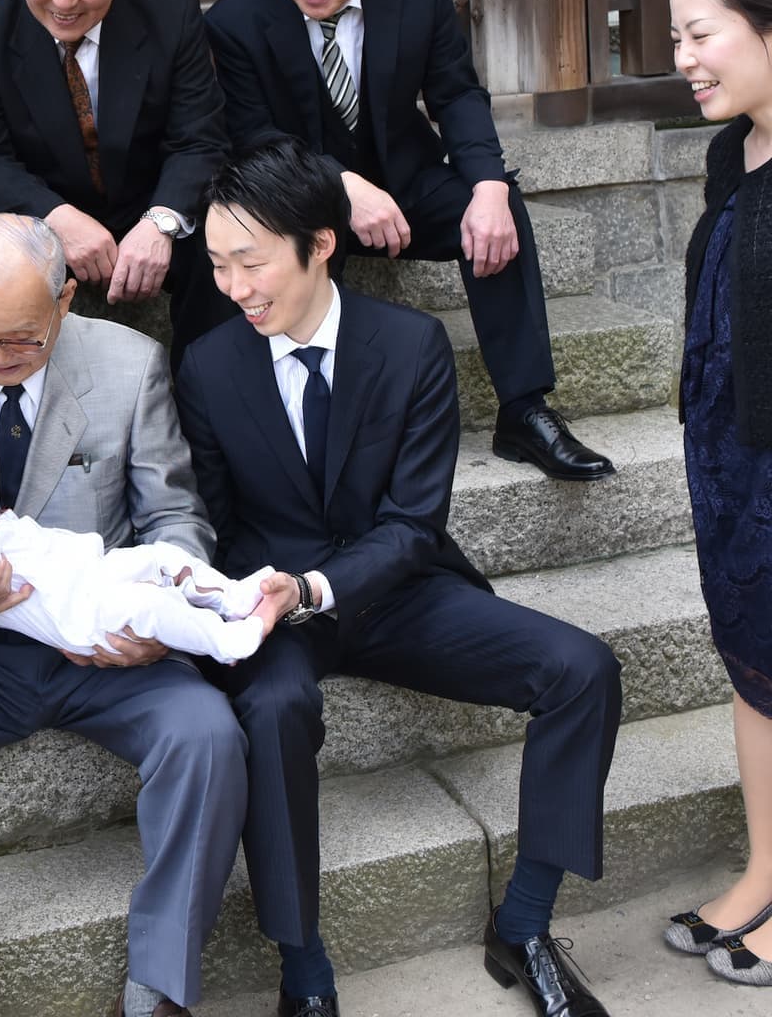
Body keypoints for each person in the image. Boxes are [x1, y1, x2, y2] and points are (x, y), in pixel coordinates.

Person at [174, 138, 623, 1017]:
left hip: (396, 591)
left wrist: (317, 587)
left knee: (583, 670)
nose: (235, 287)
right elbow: (215, 524)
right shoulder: (207, 365)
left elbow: (416, 525)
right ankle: (302, 968)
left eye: (252, 263)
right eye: (219, 265)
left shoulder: (411, 345)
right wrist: (252, 597)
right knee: (270, 707)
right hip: (270, 608)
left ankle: (524, 923)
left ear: (321, 243)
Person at [0, 213, 247, 1017]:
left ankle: (161, 985)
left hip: (100, 635)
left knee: (208, 735)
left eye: (21, 340)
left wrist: (155, 614)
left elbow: (174, 517)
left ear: (64, 302)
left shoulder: (130, 365)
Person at [205, 0, 613, 480]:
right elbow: (257, 139)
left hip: (408, 178)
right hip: (303, 194)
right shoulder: (237, 19)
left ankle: (524, 411)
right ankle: (307, 432)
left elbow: (455, 94)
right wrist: (343, 186)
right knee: (288, 252)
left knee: (499, 216)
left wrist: (490, 186)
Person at [0, 0, 231, 366]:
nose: (64, 0)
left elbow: (200, 141)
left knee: (228, 249)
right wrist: (58, 219)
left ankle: (205, 403)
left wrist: (162, 220)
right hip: (47, 218)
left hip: (151, 209)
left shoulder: (172, 16)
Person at [663, 0, 772, 987]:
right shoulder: (730, 150)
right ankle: (763, 871)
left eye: (703, 34)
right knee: (755, 675)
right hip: (735, 466)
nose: (684, 59)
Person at [0, 468, 277, 664]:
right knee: (145, 604)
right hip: (82, 617)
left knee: (160, 556)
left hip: (95, 574)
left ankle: (232, 597)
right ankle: (227, 643)